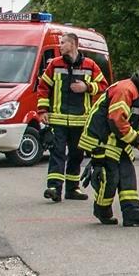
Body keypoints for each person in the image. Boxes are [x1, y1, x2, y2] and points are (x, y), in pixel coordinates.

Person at [78, 61, 139, 227]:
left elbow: (136, 124)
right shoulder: (126, 89)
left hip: (117, 140)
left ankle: (132, 214)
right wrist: (137, 142)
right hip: (102, 140)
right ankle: (102, 210)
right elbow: (116, 120)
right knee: (110, 177)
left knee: (127, 174)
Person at [36, 32, 105, 202]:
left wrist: (87, 87)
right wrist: (42, 111)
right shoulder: (54, 64)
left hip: (80, 120)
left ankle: (72, 189)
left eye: (63, 43)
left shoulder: (90, 65)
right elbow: (43, 87)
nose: (60, 46)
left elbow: (103, 85)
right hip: (58, 119)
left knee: (77, 154)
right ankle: (53, 188)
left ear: (74, 44)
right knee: (57, 152)